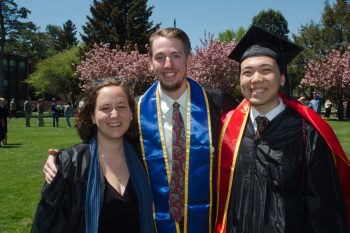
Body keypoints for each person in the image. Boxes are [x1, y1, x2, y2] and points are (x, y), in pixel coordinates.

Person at [43, 27, 237, 233]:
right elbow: (104, 141)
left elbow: (244, 144)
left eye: (176, 56)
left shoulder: (217, 104)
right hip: (151, 224)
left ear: (189, 58)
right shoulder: (135, 110)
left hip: (210, 223)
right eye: (160, 57)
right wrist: (63, 161)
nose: (168, 64)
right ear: (150, 62)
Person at [215, 26, 350, 233]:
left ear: (283, 78)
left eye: (266, 70)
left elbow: (324, 212)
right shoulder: (227, 132)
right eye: (247, 72)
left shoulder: (307, 134)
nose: (256, 79)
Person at [31, 78, 155, 233]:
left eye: (121, 107)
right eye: (105, 108)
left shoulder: (146, 157)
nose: (115, 114)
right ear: (92, 117)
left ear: (131, 113)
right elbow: (46, 225)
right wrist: (58, 160)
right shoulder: (70, 164)